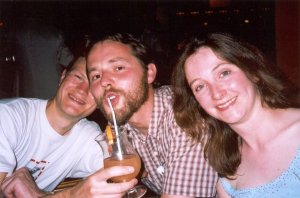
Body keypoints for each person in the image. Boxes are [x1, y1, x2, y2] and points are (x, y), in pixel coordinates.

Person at [86, 33, 218, 197]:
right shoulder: (118, 128)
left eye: (118, 68)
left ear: (149, 73)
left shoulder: (184, 114)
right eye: (96, 76)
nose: (104, 81)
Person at [172, 33, 300, 197]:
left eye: (224, 73)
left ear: (253, 72)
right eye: (200, 86)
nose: (216, 93)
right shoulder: (228, 178)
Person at [0, 56, 137, 197]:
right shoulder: (8, 116)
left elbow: (120, 176)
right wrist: (71, 194)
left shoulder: (89, 136)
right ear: (63, 77)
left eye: (93, 85)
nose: (82, 90)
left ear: (99, 100)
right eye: (78, 77)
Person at [14, 16, 74, 99]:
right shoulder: (53, 36)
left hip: (26, 88)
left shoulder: (19, 34)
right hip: (50, 87)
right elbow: (70, 61)